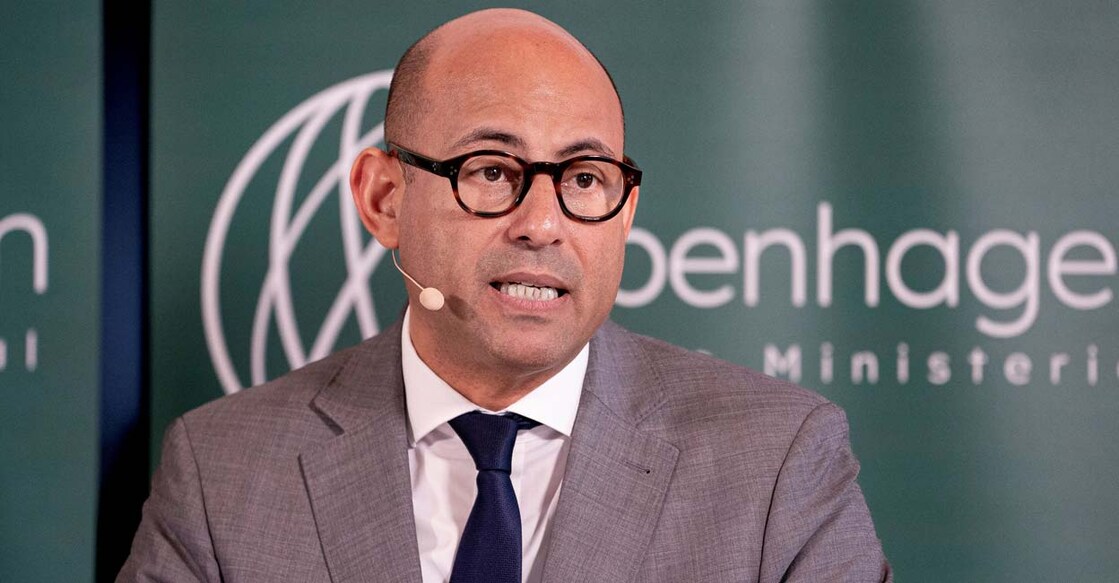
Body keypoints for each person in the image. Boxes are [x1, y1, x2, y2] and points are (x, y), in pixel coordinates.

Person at [119, 8, 891, 582]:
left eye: (585, 179)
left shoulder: (778, 465)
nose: (542, 223)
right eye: (492, 170)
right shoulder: (223, 471)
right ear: (384, 198)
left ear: (624, 212)